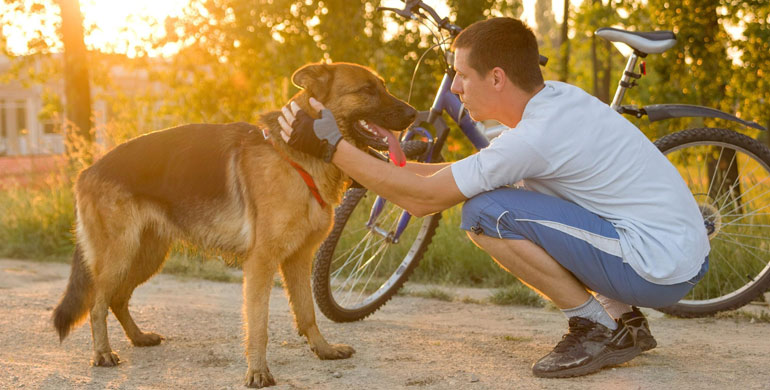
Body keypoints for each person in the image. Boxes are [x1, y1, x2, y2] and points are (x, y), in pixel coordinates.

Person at [276, 17, 710, 378]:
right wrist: (364, 168)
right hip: (666, 251)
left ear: (497, 78)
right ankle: (625, 322)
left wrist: (333, 147)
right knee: (500, 195)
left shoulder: (534, 137)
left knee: (486, 211)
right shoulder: (554, 102)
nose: (458, 88)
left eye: (463, 76)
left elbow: (426, 199)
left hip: (658, 267)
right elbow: (446, 175)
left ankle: (595, 328)